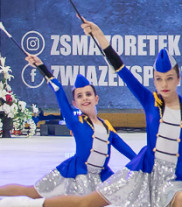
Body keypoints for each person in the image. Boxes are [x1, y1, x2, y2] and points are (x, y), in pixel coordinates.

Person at [0, 20, 182, 207]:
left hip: (175, 179)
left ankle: (165, 200)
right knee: (85, 204)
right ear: (154, 80)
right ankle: (28, 205)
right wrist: (100, 37)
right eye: (159, 79)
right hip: (142, 172)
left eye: (169, 78)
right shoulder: (149, 100)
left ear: (178, 78)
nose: (164, 84)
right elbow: (121, 69)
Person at [0, 59, 136, 199]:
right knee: (32, 193)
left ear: (96, 99)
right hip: (74, 175)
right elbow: (58, 89)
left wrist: (143, 163)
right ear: (75, 103)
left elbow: (126, 150)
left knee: (126, 196)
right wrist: (41, 66)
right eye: (79, 96)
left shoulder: (107, 126)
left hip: (103, 177)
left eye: (88, 94)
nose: (85, 98)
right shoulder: (75, 123)